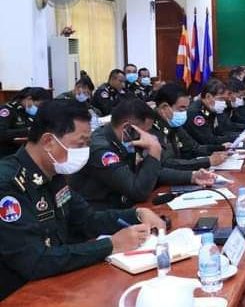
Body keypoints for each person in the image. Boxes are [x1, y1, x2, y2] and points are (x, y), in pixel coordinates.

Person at [0, 100, 166, 299]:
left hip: (55, 283)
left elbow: (87, 220)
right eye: (80, 144)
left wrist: (136, 214)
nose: (86, 150)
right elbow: (34, 260)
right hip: (20, 294)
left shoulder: (53, 171)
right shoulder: (9, 185)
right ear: (48, 142)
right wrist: (111, 245)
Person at [70, 98, 215, 210]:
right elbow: (137, 191)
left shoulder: (126, 140)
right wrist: (154, 151)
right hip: (101, 218)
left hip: (125, 208)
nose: (149, 136)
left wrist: (192, 176)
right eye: (146, 131)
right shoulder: (102, 150)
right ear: (128, 128)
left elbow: (151, 171)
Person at [151, 83, 228, 171]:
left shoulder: (173, 123)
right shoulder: (152, 127)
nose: (185, 112)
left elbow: (193, 148)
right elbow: (168, 163)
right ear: (164, 107)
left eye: (186, 108)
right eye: (181, 108)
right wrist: (207, 161)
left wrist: (220, 149)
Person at [0, 88, 52, 158]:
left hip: (25, 152)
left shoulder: (27, 111)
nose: (38, 109)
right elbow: (2, 133)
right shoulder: (7, 110)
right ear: (29, 99)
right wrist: (27, 131)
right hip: (7, 153)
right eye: (37, 106)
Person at [184, 79, 237, 145]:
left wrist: (238, 136)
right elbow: (208, 140)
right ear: (208, 96)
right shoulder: (195, 113)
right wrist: (237, 137)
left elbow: (218, 132)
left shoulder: (209, 110)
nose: (224, 104)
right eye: (221, 99)